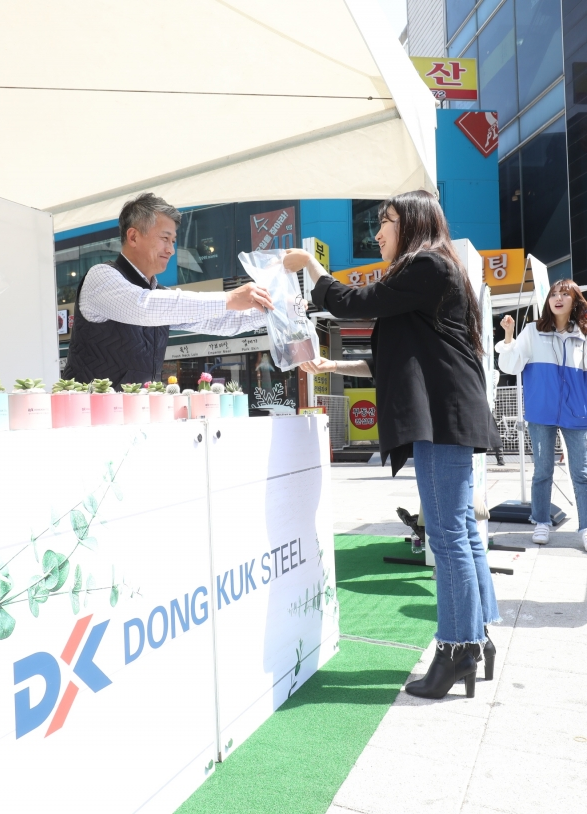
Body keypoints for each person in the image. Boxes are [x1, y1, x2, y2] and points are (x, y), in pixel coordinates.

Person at [283, 190, 500, 700]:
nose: (377, 233)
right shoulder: (432, 272)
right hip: (449, 414)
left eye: (386, 221)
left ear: (415, 223)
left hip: (443, 418)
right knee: (461, 532)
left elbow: (354, 302)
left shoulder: (426, 264)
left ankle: (457, 647)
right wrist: (336, 366)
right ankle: (475, 637)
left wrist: (312, 267)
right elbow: (398, 357)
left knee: (447, 535)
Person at [64, 193, 273, 389]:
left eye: (173, 241)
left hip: (138, 416)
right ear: (133, 237)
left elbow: (222, 321)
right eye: (164, 238)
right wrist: (229, 297)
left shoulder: (159, 296)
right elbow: (143, 306)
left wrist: (276, 309)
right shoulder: (101, 276)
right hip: (88, 418)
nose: (171, 249)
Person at [496, 281, 587, 549]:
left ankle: (585, 526)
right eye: (554, 295)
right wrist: (510, 336)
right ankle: (541, 522)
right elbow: (511, 365)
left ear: (575, 301)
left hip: (578, 414)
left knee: (582, 472)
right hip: (540, 411)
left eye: (565, 294)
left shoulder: (583, 333)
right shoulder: (533, 331)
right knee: (542, 471)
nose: (558, 299)